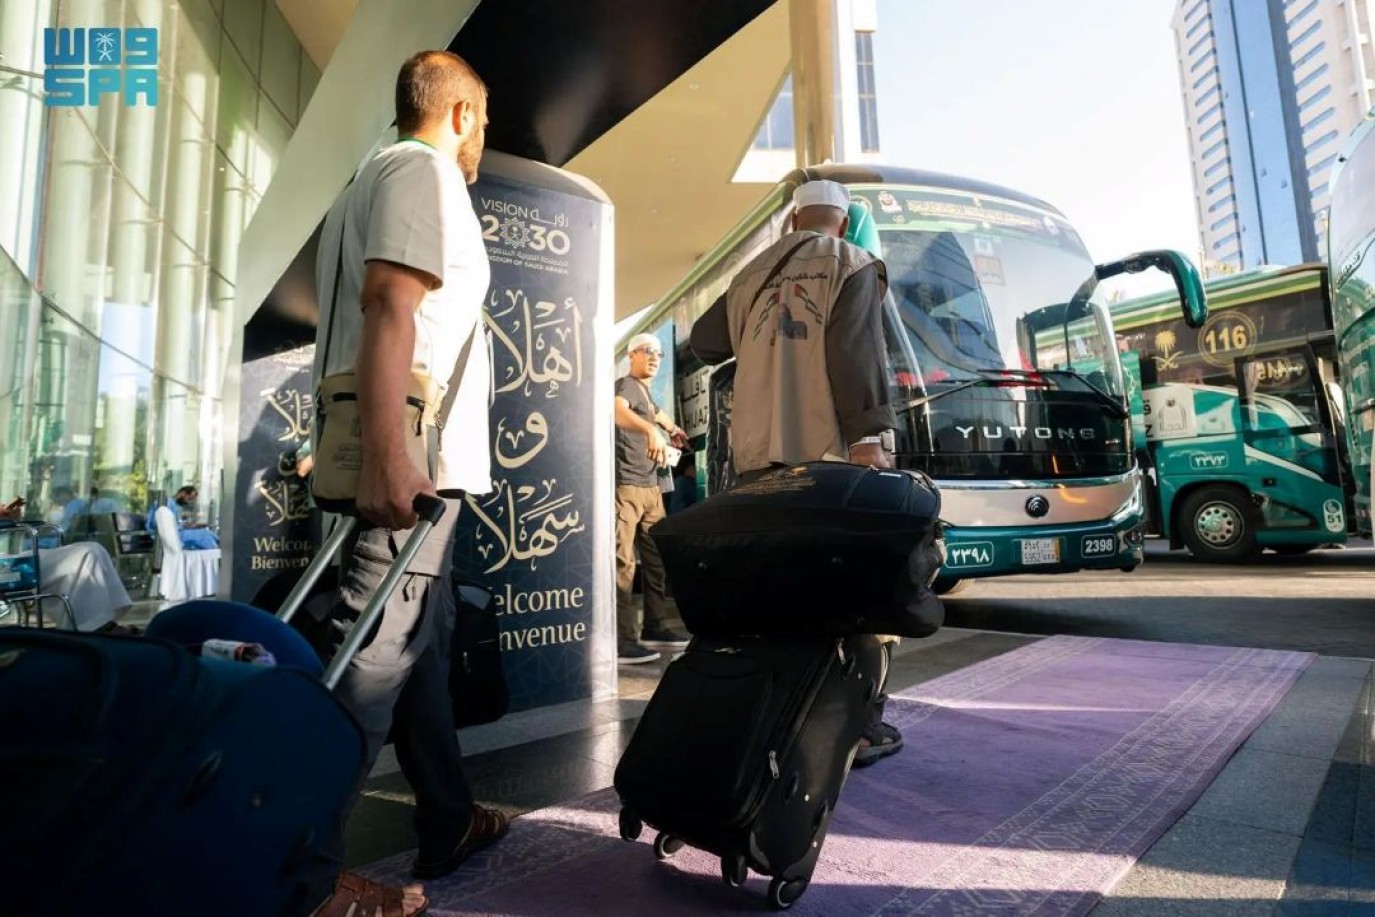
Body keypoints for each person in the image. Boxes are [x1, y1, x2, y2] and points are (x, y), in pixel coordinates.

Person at [307, 50, 507, 917]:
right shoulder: (424, 172)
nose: (481, 138)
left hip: (413, 457)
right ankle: (298, 873)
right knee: (374, 656)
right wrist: (390, 456)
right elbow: (391, 302)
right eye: (483, 122)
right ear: (458, 113)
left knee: (419, 637)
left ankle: (449, 817)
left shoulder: (371, 178)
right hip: (410, 462)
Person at [689, 178, 906, 768]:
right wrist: (869, 440)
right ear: (843, 221)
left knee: (778, 593)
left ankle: (776, 720)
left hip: (758, 462)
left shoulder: (751, 273)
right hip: (826, 458)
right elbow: (857, 353)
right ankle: (854, 729)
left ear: (793, 221)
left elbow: (705, 342)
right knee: (854, 593)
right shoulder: (851, 262)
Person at [613, 333, 691, 664]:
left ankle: (656, 627)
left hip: (652, 487)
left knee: (655, 561)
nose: (655, 357)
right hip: (627, 485)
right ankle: (622, 640)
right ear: (631, 355)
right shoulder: (626, 385)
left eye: (658, 353)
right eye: (647, 351)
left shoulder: (645, 393)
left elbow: (659, 415)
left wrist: (672, 430)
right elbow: (617, 411)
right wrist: (649, 431)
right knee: (623, 564)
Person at [0, 497, 136, 634]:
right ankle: (89, 628)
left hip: (9, 561)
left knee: (95, 549)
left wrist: (9, 517)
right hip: (6, 567)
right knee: (86, 555)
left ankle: (99, 623)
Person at [145, 486, 219, 551]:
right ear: (182, 493)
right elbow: (162, 524)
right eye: (189, 498)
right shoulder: (165, 503)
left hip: (176, 533)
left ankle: (219, 545)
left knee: (207, 532)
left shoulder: (176, 506)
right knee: (204, 534)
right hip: (168, 535)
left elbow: (177, 522)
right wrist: (183, 526)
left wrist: (190, 525)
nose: (188, 502)